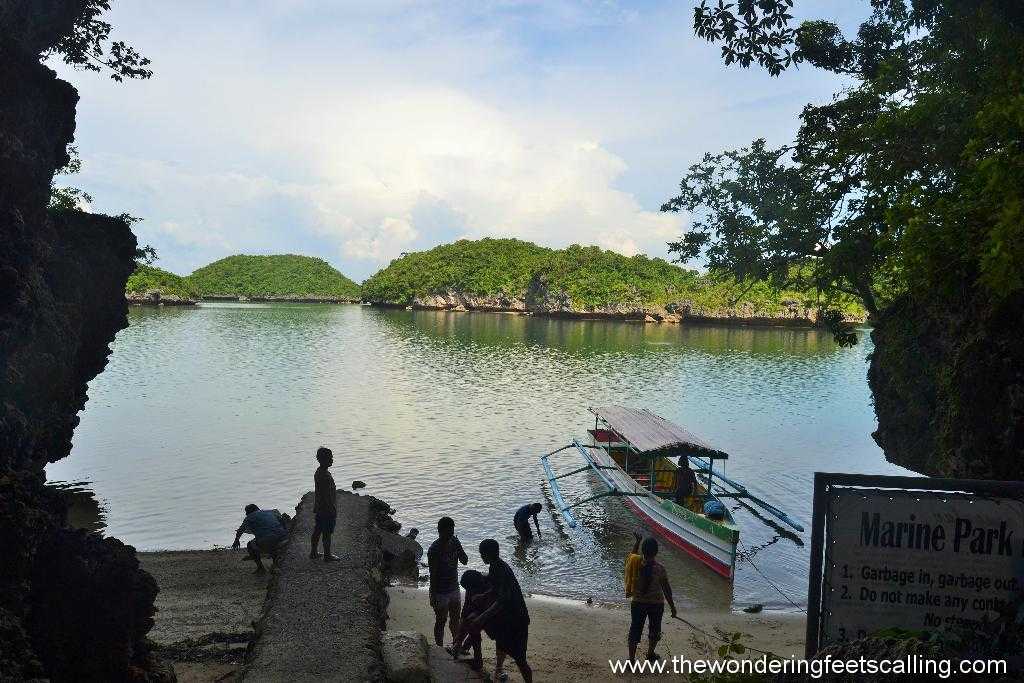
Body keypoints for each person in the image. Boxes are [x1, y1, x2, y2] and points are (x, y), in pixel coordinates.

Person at [470, 538, 533, 683]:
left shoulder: (501, 569)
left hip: (517, 619)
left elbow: (501, 601)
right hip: (507, 617)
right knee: (501, 641)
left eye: (482, 554)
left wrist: (482, 618)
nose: (481, 557)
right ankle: (498, 667)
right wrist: (484, 595)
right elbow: (495, 588)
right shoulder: (495, 566)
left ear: (489, 553)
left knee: (520, 659)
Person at [624, 532, 677, 663]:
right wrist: (672, 607)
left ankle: (631, 660)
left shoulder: (636, 564)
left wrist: (637, 542)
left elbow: (632, 556)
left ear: (643, 551)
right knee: (655, 630)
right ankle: (650, 653)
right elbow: (667, 590)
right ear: (656, 552)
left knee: (635, 630)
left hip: (638, 603)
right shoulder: (660, 569)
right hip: (656, 604)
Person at [427, 516, 468, 648]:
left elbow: (465, 560)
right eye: (448, 531)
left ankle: (456, 645)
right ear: (440, 531)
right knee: (441, 620)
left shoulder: (454, 542)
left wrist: (459, 546)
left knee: (456, 619)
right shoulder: (434, 549)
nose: (450, 533)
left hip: (454, 587)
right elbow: (433, 574)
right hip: (440, 591)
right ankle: (439, 647)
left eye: (452, 530)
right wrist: (432, 594)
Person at [449, 569, 491, 672]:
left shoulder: (491, 586)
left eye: (469, 590)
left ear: (476, 587)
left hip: (497, 611)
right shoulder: (472, 585)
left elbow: (493, 606)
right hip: (483, 608)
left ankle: (478, 659)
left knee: (474, 626)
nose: (469, 592)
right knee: (468, 621)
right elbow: (466, 609)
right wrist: (459, 637)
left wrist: (476, 614)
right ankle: (462, 647)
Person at [232, 504, 288, 574]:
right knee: (269, 539)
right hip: (284, 537)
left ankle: (260, 568)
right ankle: (275, 564)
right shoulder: (270, 512)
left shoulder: (248, 518)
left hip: (268, 540)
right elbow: (282, 521)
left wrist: (236, 540)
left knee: (250, 545)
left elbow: (241, 530)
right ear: (258, 508)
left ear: (247, 512)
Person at [310, 446, 340, 562]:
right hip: (326, 509)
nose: (332, 460)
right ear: (323, 460)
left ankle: (313, 552)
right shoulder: (325, 476)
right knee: (327, 532)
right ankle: (327, 555)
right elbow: (326, 495)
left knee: (318, 530)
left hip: (319, 508)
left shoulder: (319, 472)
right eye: (330, 458)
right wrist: (332, 509)